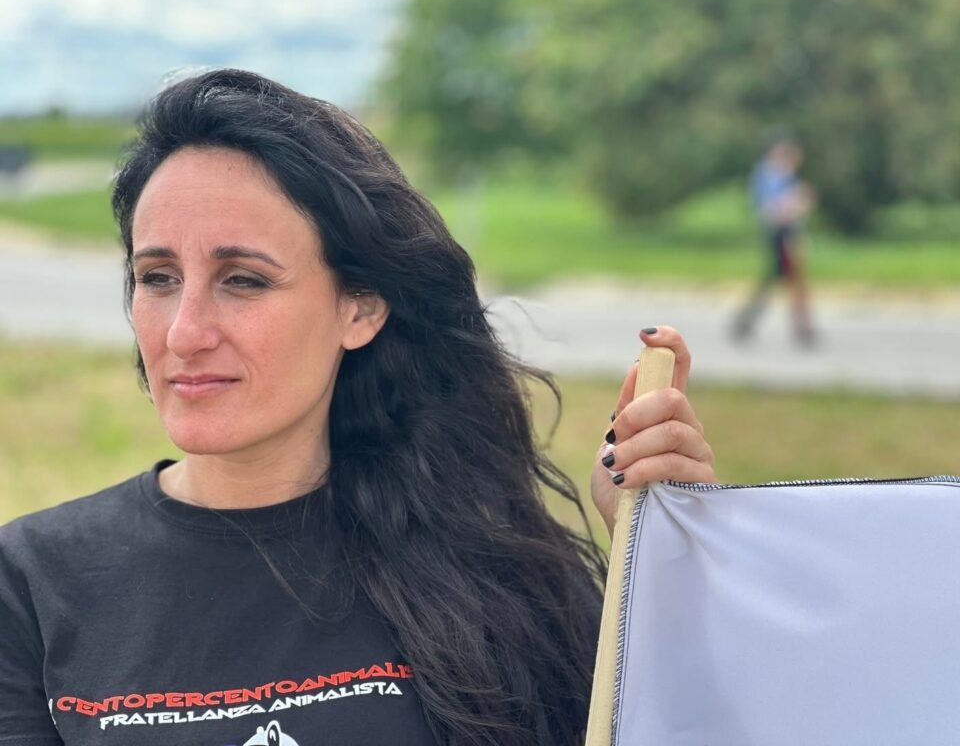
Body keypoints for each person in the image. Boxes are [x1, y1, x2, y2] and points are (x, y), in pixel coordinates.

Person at [0, 70, 716, 746]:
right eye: (157, 277)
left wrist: (661, 566)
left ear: (362, 307)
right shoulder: (31, 584)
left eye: (243, 279)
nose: (184, 333)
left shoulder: (492, 571)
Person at [731, 134, 817, 346]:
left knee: (776, 279)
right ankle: (802, 328)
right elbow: (774, 208)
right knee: (793, 279)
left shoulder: (774, 174)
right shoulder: (773, 174)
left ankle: (747, 321)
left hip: (783, 232)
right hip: (782, 233)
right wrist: (799, 201)